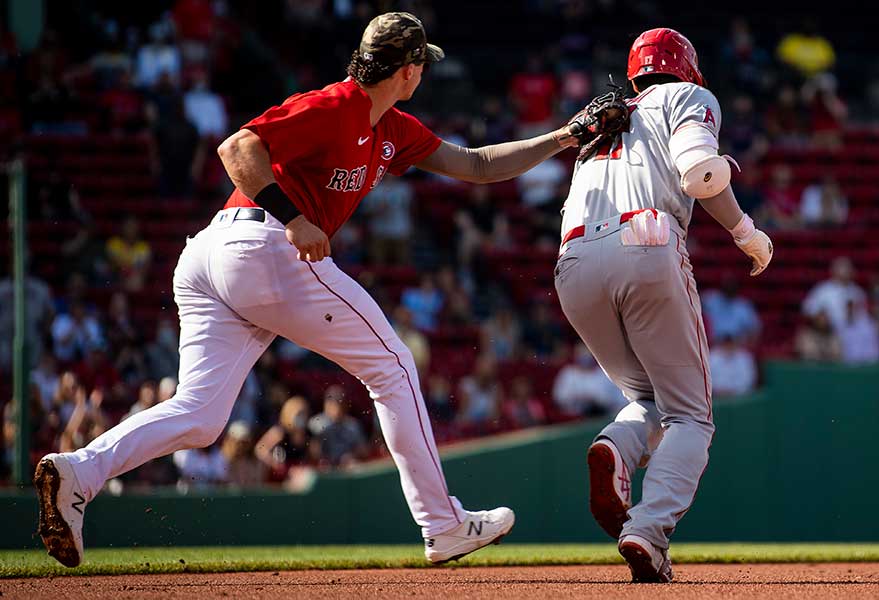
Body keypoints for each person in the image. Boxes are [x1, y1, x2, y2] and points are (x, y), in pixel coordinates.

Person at [35, 11, 581, 568]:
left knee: (200, 416)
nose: (424, 75)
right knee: (393, 364)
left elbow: (479, 165)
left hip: (218, 258)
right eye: (422, 64)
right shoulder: (335, 104)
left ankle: (80, 471)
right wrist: (293, 217)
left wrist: (567, 135)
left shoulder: (393, 127)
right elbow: (235, 149)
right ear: (409, 71)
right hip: (259, 247)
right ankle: (442, 524)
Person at [553, 28, 773, 582]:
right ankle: (647, 530)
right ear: (687, 68)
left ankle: (616, 447)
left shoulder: (599, 126)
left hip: (572, 262)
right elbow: (699, 170)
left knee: (650, 398)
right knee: (692, 415)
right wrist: (746, 232)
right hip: (646, 242)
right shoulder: (687, 96)